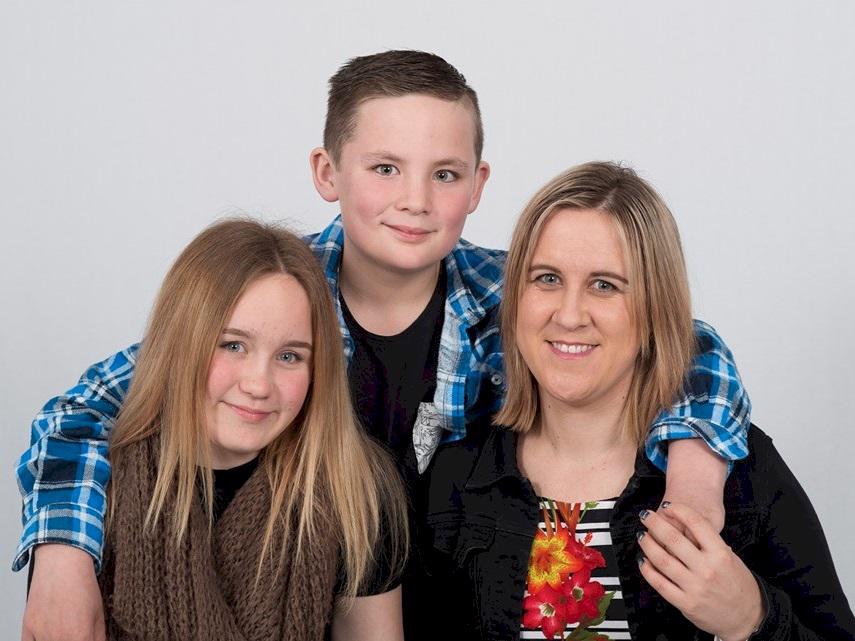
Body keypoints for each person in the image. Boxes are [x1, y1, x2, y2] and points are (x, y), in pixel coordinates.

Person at [18, 52, 750, 640]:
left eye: (444, 174)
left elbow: (674, 340)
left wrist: (692, 479)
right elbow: (83, 410)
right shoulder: (274, 296)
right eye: (384, 168)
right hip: (295, 600)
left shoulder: (516, 297)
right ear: (327, 173)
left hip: (461, 604)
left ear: (477, 185)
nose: (415, 200)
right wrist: (61, 556)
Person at [417, 161, 855, 640]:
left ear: (654, 308)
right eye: (547, 278)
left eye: (605, 285)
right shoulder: (456, 471)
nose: (569, 315)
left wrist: (750, 618)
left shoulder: (740, 472)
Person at [99, 218, 408, 640]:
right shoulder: (97, 489)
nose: (259, 385)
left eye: (289, 356)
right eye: (233, 346)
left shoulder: (353, 490)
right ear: (180, 344)